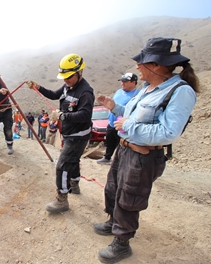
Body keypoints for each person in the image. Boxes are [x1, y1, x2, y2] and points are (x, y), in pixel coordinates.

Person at [94, 37, 199, 263]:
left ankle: (122, 243)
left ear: (156, 65)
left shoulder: (180, 91)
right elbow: (132, 114)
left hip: (143, 156)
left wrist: (129, 125)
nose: (137, 67)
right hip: (125, 149)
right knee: (113, 188)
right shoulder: (145, 88)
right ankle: (113, 222)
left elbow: (169, 132)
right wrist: (114, 106)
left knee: (129, 196)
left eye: (142, 63)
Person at [27, 53, 95, 213]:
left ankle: (62, 199)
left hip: (78, 136)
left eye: (69, 77)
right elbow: (54, 94)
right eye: (64, 77)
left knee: (62, 165)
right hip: (70, 133)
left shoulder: (85, 92)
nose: (66, 80)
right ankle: (75, 184)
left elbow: (85, 114)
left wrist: (63, 116)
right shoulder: (67, 87)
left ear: (79, 73)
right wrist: (38, 87)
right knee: (73, 160)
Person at [97, 72, 139, 165]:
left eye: (125, 81)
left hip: (123, 126)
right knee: (110, 141)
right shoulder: (119, 91)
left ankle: (121, 161)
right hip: (112, 122)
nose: (122, 83)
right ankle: (107, 157)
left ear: (133, 82)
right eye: (122, 81)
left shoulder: (137, 95)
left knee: (122, 144)